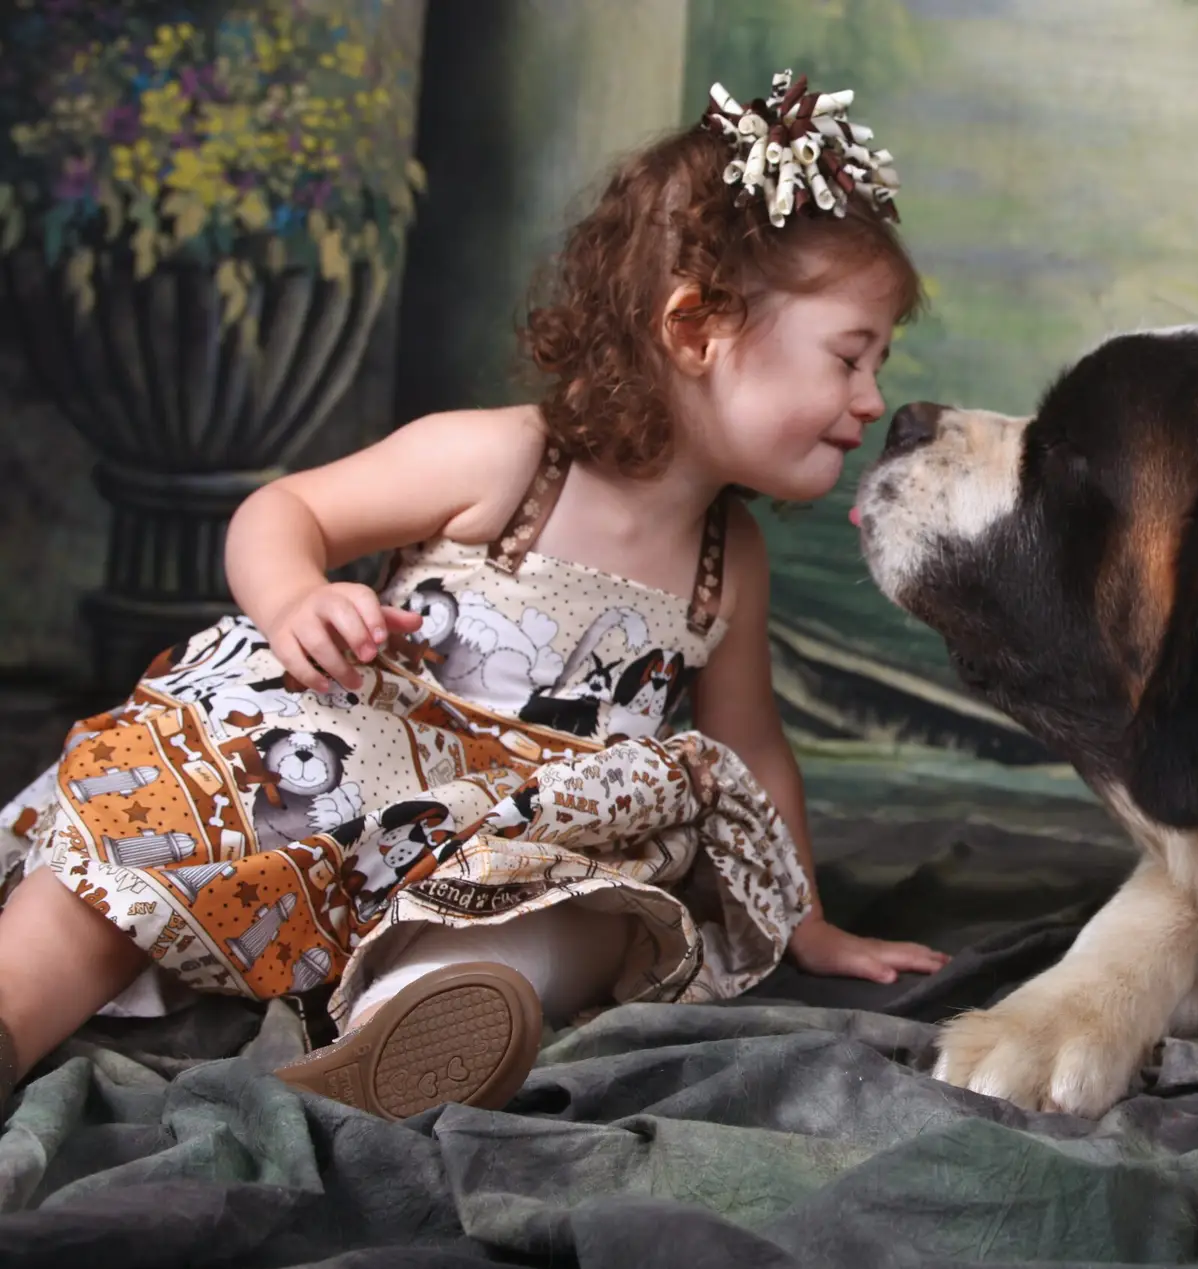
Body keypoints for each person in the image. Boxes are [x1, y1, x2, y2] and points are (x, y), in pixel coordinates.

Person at [0, 70, 947, 1120]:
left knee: (607, 908)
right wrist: (295, 598)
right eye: (850, 358)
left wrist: (802, 915)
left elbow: (754, 747)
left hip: (526, 840)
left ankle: (411, 1024)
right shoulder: (507, 461)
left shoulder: (729, 556)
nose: (872, 399)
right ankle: (10, 1009)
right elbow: (284, 512)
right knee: (166, 802)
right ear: (695, 327)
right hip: (362, 774)